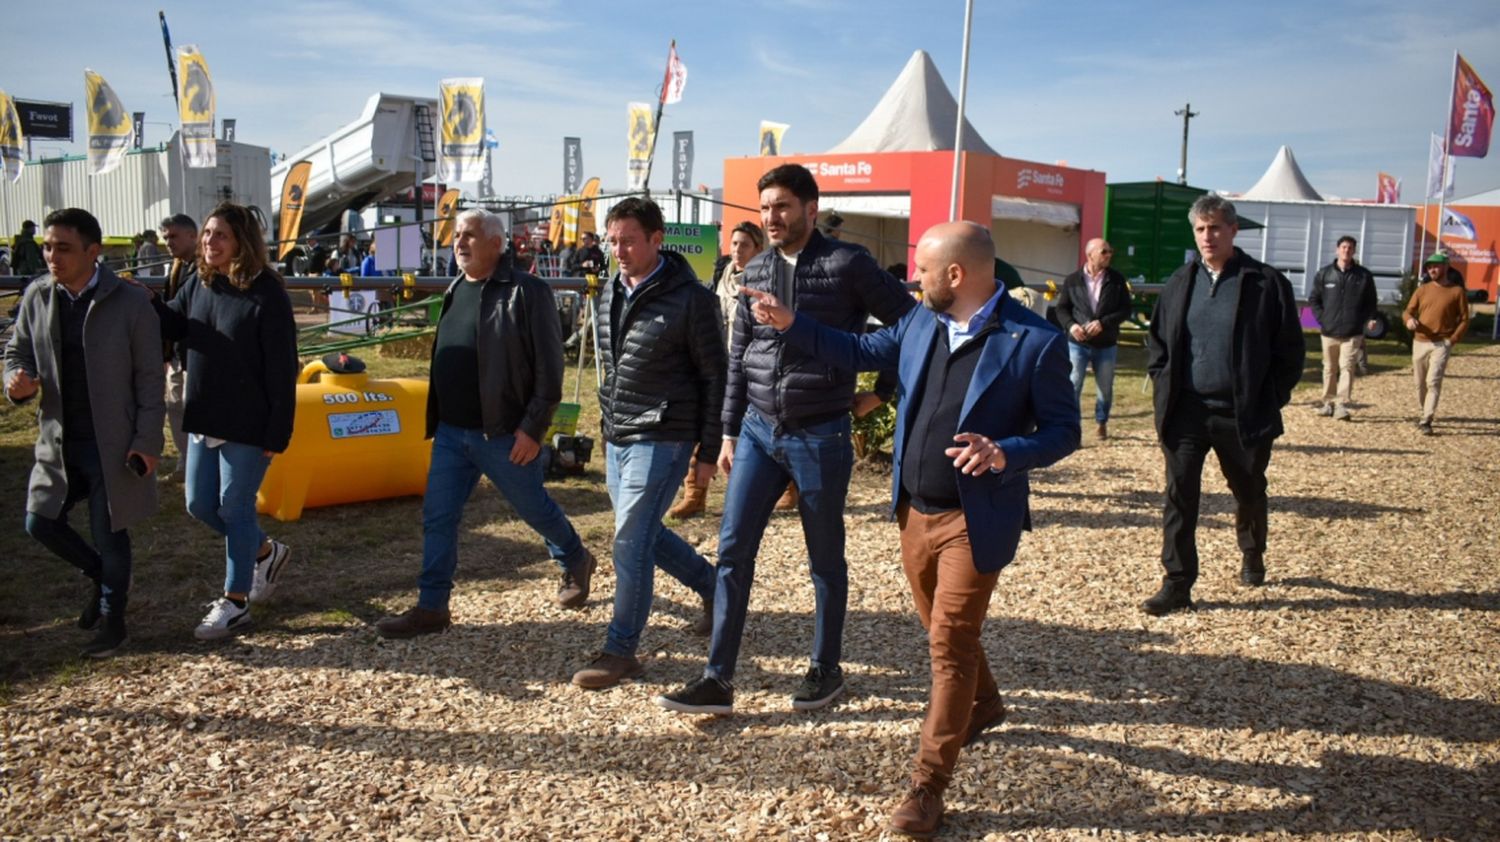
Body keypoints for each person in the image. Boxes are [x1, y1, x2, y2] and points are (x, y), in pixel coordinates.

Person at [738, 221, 1079, 836]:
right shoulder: (923, 321)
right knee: (944, 630)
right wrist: (792, 325)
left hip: (976, 521)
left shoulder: (1037, 342)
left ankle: (927, 785)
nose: (911, 281)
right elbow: (861, 351)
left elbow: (1064, 431)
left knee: (947, 643)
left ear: (955, 275)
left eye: (921, 270)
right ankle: (987, 704)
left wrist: (1006, 452)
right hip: (913, 511)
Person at [657, 163, 914, 714]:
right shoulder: (758, 266)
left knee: (824, 557)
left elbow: (908, 325)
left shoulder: (848, 264)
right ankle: (717, 679)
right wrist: (726, 433)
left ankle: (826, 668)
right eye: (765, 207)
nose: (772, 217)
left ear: (810, 209)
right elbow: (738, 360)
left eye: (782, 207)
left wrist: (883, 390)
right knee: (731, 552)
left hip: (820, 433)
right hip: (755, 432)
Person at [375, 209, 596, 638]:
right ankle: (432, 606)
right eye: (457, 235)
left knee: (534, 509)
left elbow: (551, 371)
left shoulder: (528, 292)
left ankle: (574, 557)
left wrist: (533, 429)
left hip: (504, 433)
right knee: (438, 517)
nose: (460, 242)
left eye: (470, 235)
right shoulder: (457, 288)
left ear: (497, 243)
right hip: (451, 432)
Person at [571, 197, 725, 690]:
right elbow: (613, 368)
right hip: (620, 433)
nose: (618, 250)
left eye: (629, 240)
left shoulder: (693, 299)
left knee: (629, 541)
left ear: (657, 240)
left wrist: (705, 452)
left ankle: (621, 650)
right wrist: (607, 425)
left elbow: (714, 379)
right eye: (613, 240)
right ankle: (716, 589)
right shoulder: (609, 292)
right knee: (641, 535)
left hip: (665, 434)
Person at [4, 208, 164, 658]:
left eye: (63, 248)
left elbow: (150, 378)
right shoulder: (38, 295)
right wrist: (15, 378)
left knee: (109, 529)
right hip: (58, 437)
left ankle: (114, 622)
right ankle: (101, 575)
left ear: (94, 253)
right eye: (47, 247)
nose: (52, 256)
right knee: (40, 521)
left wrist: (147, 441)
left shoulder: (131, 302)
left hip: (112, 441)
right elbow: (17, 351)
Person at [1143, 195, 1305, 614]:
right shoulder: (1181, 281)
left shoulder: (1266, 283)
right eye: (1200, 229)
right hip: (1186, 412)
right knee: (1179, 495)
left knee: (1248, 488)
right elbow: (1158, 343)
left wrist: (1268, 398)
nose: (1207, 236)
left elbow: (1290, 352)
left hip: (1241, 414)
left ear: (1233, 230)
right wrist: (1164, 384)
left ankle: (1252, 550)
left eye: (1215, 227)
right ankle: (1177, 582)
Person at [151, 202, 300, 640]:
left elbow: (281, 367)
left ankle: (235, 603)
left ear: (242, 243)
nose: (210, 242)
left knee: (235, 507)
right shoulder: (200, 281)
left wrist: (278, 431)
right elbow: (175, 322)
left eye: (221, 235)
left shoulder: (267, 293)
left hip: (250, 422)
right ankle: (265, 551)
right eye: (208, 233)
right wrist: (140, 298)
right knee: (200, 505)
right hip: (206, 414)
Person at [666, 220, 767, 520]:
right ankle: (695, 495)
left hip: (750, 370)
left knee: (752, 434)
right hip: (715, 365)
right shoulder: (719, 279)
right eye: (734, 244)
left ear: (758, 249)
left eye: (745, 245)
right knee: (703, 426)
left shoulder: (765, 282)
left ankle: (781, 489)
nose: (737, 250)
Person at [1055, 237, 1132, 439]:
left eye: (1110, 251)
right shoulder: (1072, 280)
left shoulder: (1116, 280)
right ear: (1090, 255)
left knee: (1105, 388)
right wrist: (1071, 326)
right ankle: (1074, 430)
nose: (1109, 255)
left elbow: (1126, 310)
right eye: (1104, 252)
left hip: (1106, 344)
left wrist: (1103, 323)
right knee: (1073, 386)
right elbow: (1062, 309)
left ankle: (1101, 422)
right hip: (1077, 344)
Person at [1308, 236, 1378, 421]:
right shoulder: (1324, 274)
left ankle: (1341, 405)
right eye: (1343, 247)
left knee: (1347, 367)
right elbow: (1314, 299)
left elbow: (1371, 302)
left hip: (1352, 332)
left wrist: (1366, 320)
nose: (1346, 250)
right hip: (1329, 331)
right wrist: (1322, 318)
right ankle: (1328, 403)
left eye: (1350, 248)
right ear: (1337, 250)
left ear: (1354, 251)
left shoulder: (1363, 276)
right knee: (1329, 368)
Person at [1403, 252, 1470, 435]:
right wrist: (1409, 320)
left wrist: (1452, 340)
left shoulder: (1457, 292)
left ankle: (1427, 419)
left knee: (1433, 380)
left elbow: (1464, 319)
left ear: (1446, 267)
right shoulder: (1422, 290)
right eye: (1429, 267)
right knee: (1420, 383)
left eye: (1436, 266)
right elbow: (1408, 311)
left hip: (1442, 343)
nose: (1432, 269)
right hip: (1420, 342)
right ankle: (1423, 410)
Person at [158, 214, 198, 482]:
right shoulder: (175, 269)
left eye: (173, 236)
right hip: (176, 354)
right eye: (165, 238)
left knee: (196, 410)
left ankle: (200, 467)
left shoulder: (207, 267)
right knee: (175, 407)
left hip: (198, 353)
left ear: (192, 236)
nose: (168, 243)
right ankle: (186, 465)